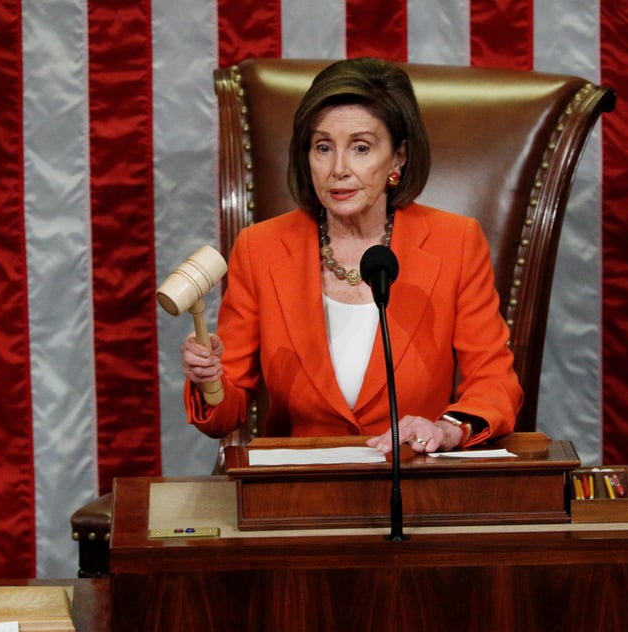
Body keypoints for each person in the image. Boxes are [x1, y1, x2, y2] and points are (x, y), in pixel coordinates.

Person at [181, 57, 522, 454]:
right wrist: (210, 379)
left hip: (412, 479)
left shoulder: (456, 242)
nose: (338, 168)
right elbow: (226, 413)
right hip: (299, 495)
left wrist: (446, 430)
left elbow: (494, 381)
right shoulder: (261, 248)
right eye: (323, 147)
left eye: (361, 147)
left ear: (398, 157)